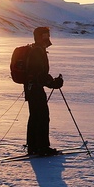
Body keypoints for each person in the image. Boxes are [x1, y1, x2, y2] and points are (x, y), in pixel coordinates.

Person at [24, 27, 64, 156]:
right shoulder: (37, 51)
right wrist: (53, 83)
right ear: (39, 37)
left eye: (48, 35)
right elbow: (39, 74)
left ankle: (33, 146)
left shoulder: (36, 49)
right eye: (45, 35)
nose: (47, 38)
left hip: (31, 88)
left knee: (35, 117)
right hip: (35, 89)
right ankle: (41, 147)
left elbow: (39, 74)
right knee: (41, 117)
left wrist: (51, 82)